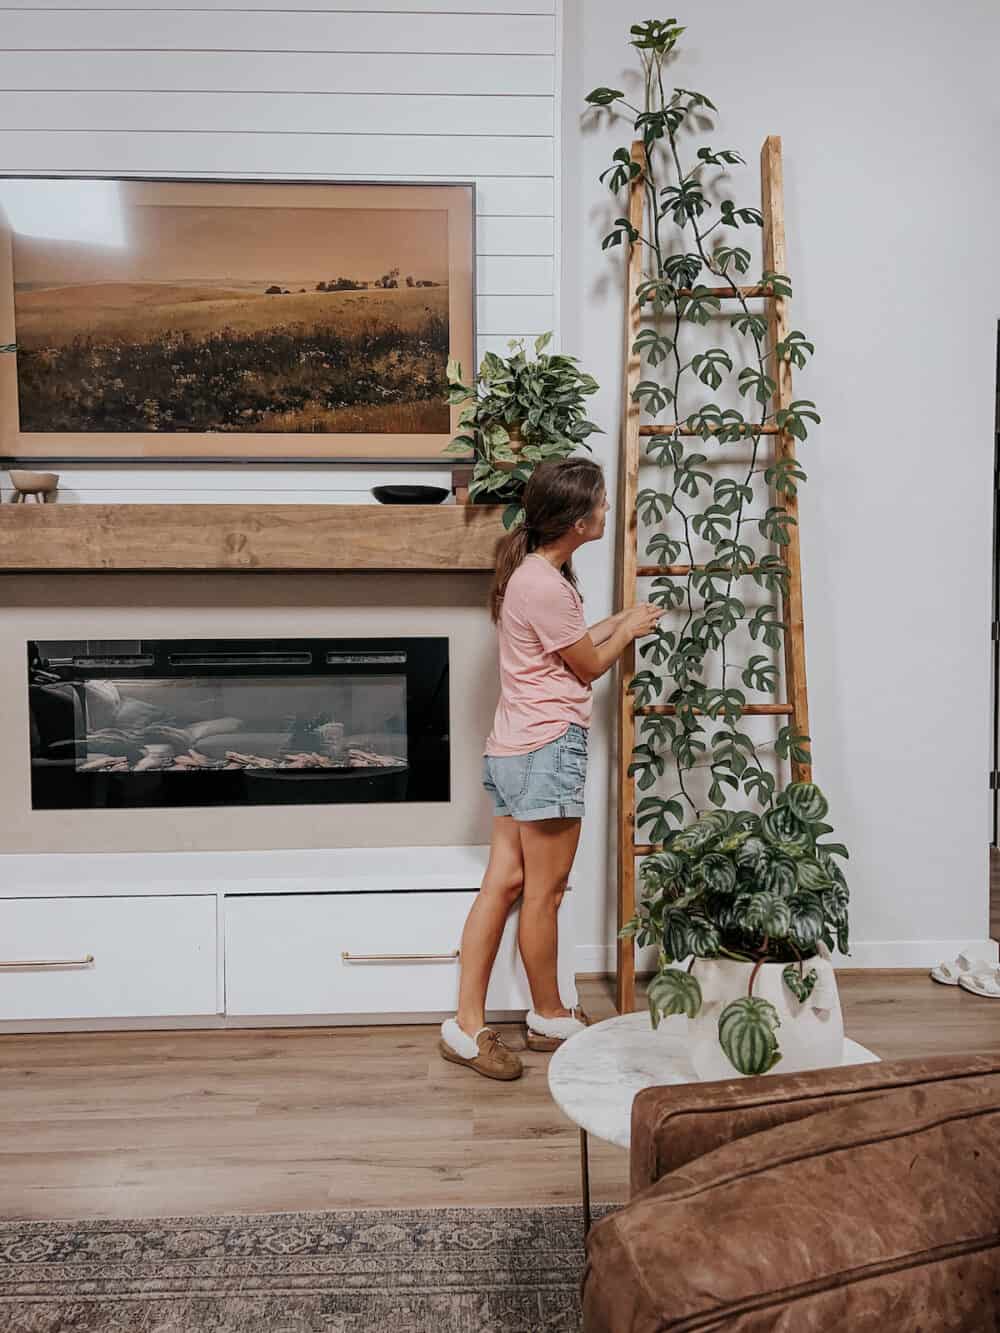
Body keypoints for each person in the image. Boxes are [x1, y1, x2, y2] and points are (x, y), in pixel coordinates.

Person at [438, 457, 664, 1080]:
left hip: (514, 749)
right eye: (597, 504)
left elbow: (568, 649)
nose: (604, 511)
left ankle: (465, 1022)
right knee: (545, 894)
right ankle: (549, 1013)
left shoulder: (535, 576)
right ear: (572, 519)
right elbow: (588, 666)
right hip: (546, 751)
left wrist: (618, 621)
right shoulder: (545, 583)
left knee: (505, 884)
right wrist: (633, 629)